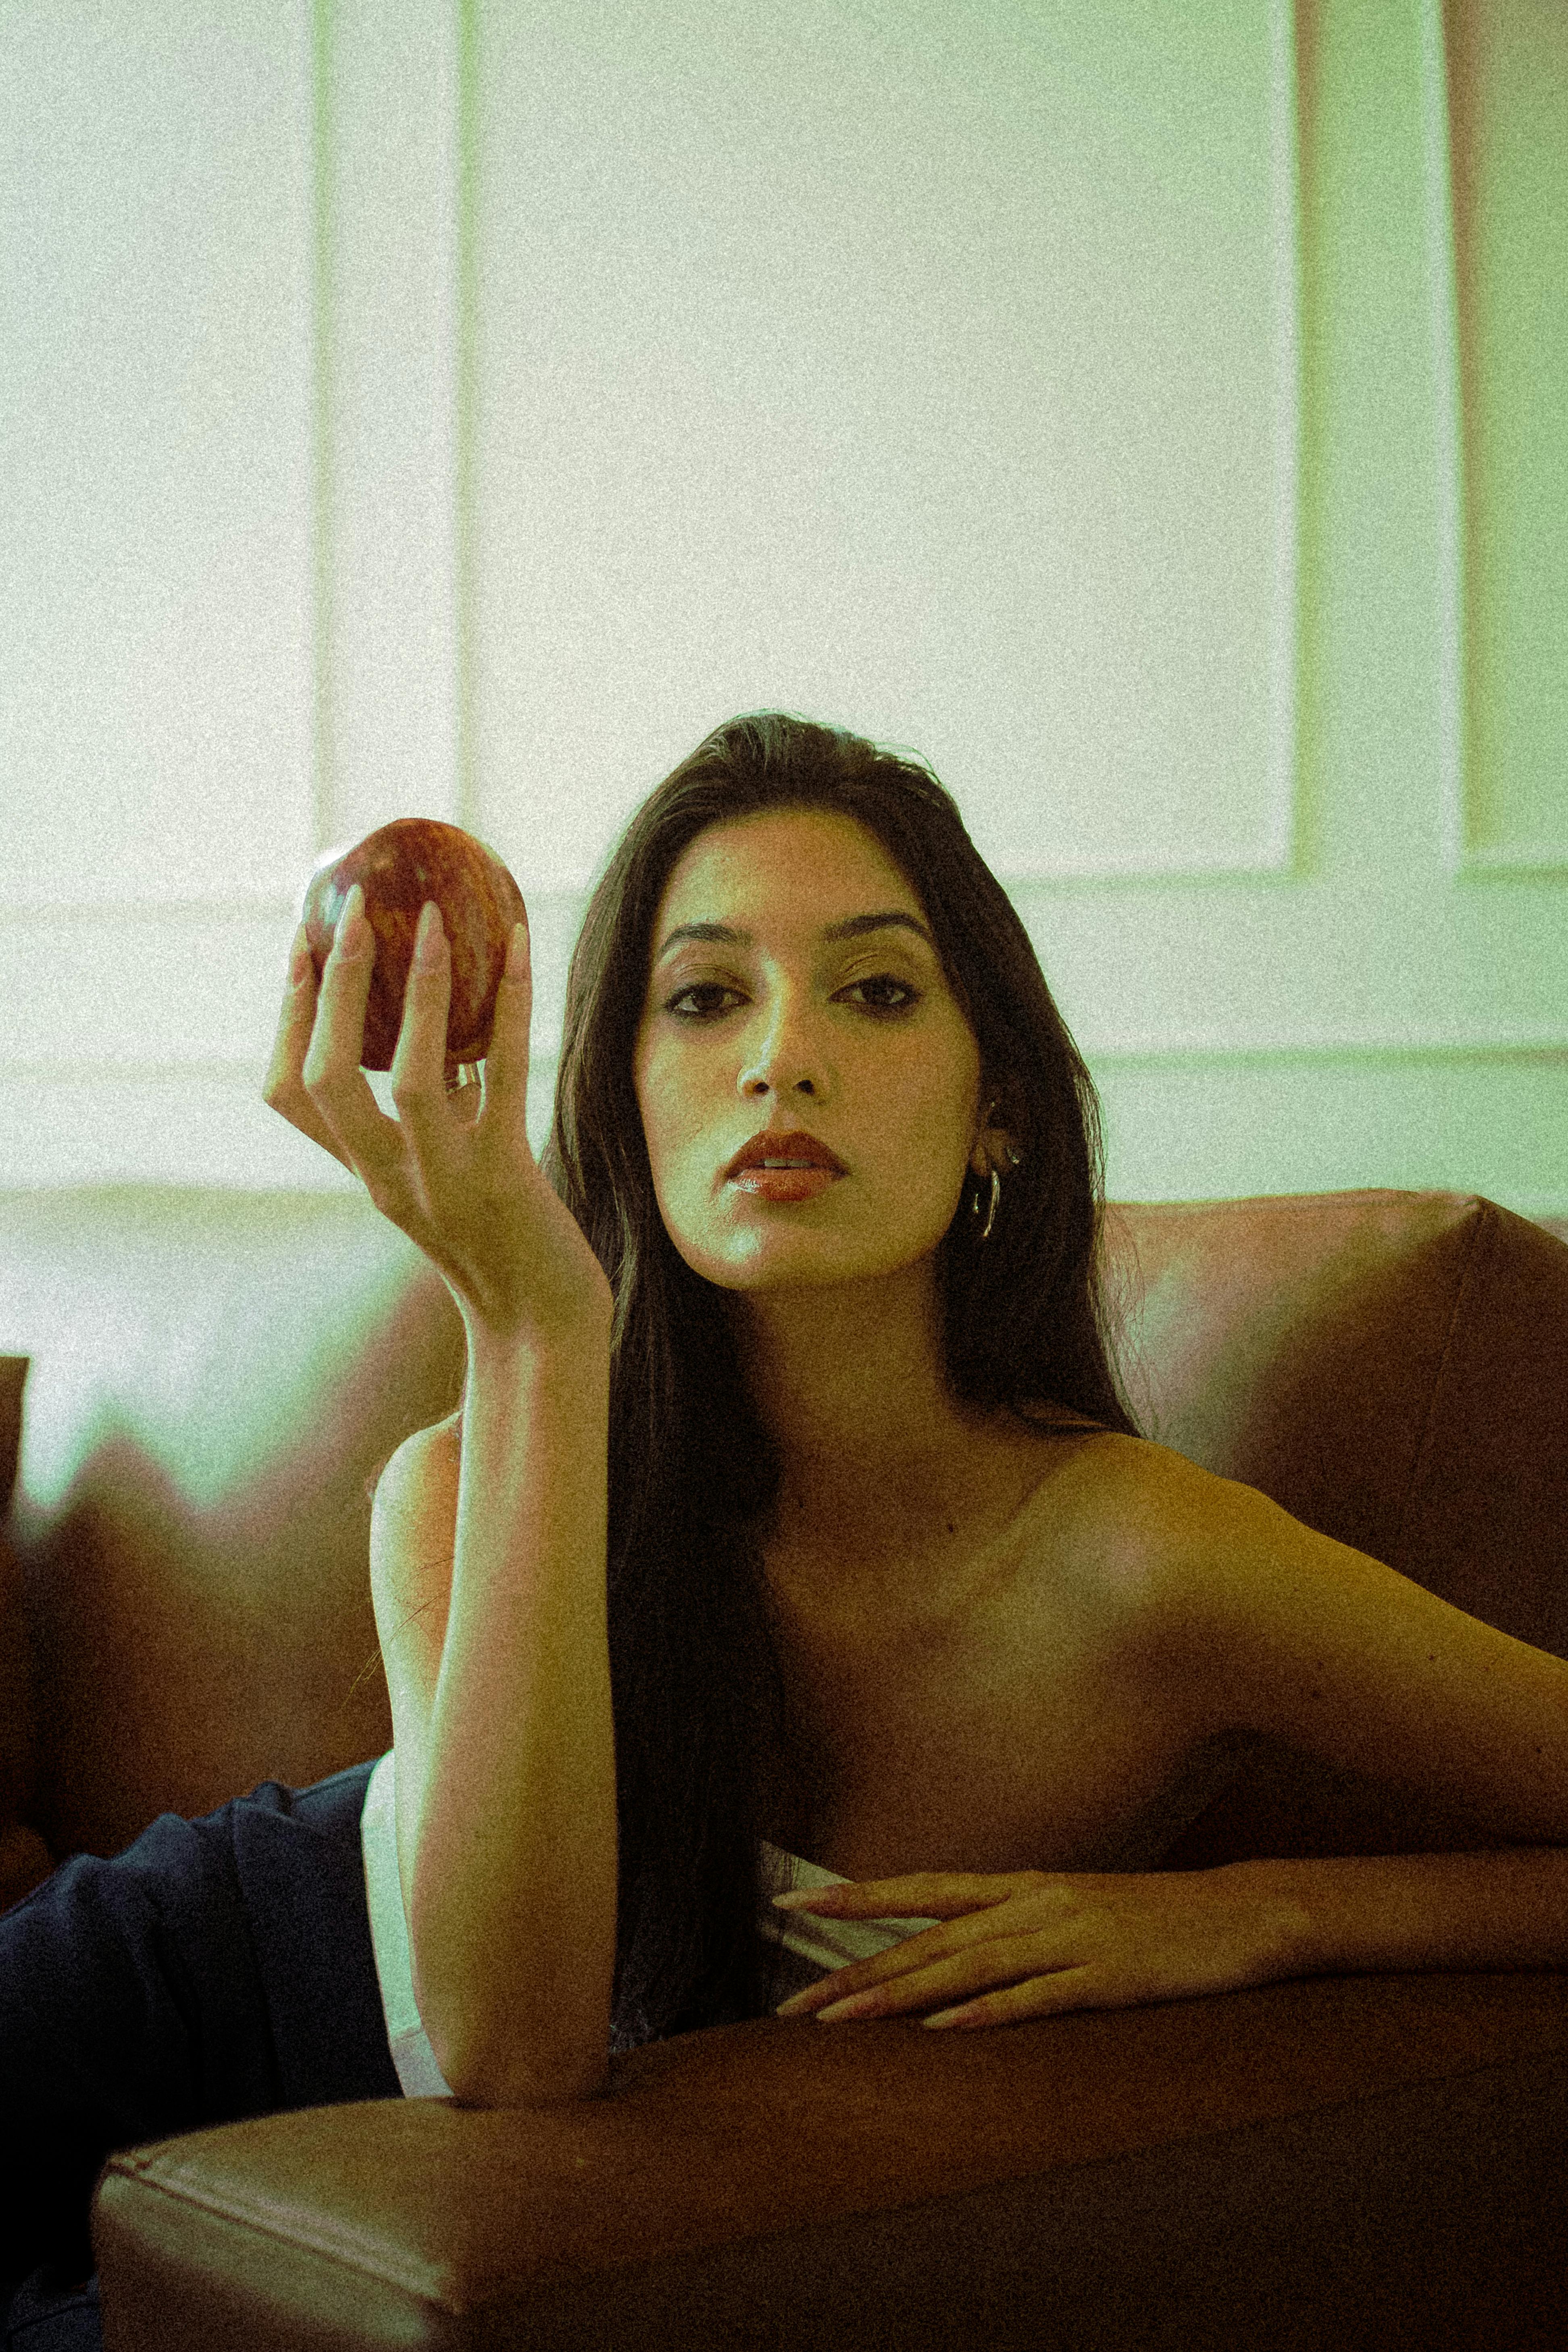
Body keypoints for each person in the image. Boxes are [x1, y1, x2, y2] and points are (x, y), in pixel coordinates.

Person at [5, 713, 1568, 2344]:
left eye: (875, 991)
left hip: (394, 2212)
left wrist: (1263, 1914)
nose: (782, 1058)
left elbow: (511, 2054)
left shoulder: (1138, 1559)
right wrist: (539, 1330)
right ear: (625, 1099)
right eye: (703, 999)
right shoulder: (465, 1478)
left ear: (1000, 1107)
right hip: (187, 1973)